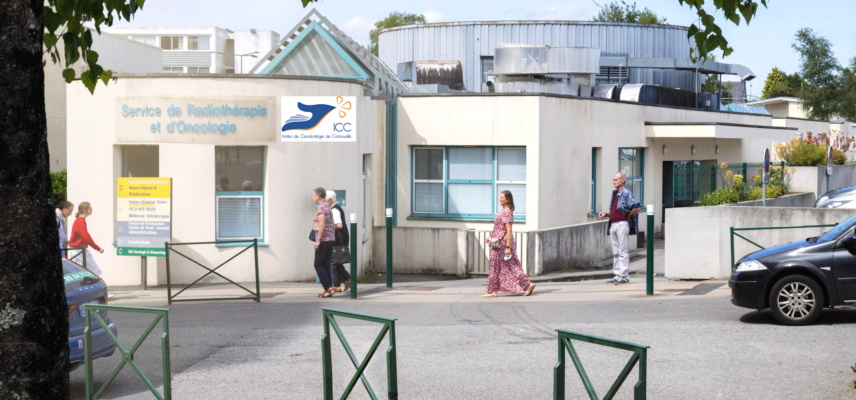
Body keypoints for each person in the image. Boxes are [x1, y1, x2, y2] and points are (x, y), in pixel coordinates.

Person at [482, 190, 535, 298]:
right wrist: (491, 238)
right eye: (500, 197)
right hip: (499, 243)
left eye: (502, 198)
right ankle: (493, 291)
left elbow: (509, 230)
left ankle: (527, 284)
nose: (500, 199)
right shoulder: (504, 212)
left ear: (507, 200)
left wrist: (508, 247)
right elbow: (500, 229)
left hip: (503, 244)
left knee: (508, 265)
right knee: (500, 266)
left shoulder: (506, 212)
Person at [597, 172, 642, 285]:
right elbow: (613, 210)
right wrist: (605, 214)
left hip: (622, 224)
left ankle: (625, 276)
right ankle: (617, 275)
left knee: (622, 251)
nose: (614, 182)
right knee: (616, 252)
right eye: (613, 180)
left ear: (622, 181)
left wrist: (629, 216)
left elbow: (637, 206)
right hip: (613, 225)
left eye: (616, 180)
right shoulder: (615, 194)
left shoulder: (626, 193)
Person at [69, 202, 105, 279]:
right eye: (90, 208)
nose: (92, 209)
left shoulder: (80, 220)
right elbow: (87, 237)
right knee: (95, 271)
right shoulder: (80, 221)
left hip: (79, 250)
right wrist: (98, 248)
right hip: (78, 250)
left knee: (81, 273)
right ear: (85, 210)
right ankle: (99, 288)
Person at [312, 187, 336, 297]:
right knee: (326, 264)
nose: (312, 198)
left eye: (313, 195)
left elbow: (322, 224)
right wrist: (332, 236)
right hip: (330, 239)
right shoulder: (328, 207)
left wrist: (318, 240)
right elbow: (332, 223)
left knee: (318, 264)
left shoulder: (321, 208)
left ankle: (328, 288)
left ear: (318, 196)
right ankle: (329, 289)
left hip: (324, 239)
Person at [326, 191, 351, 292]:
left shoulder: (334, 210)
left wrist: (327, 227)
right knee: (334, 262)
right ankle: (336, 286)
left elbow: (339, 225)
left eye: (326, 201)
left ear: (330, 200)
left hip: (339, 240)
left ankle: (348, 278)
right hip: (341, 239)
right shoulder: (337, 208)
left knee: (332, 262)